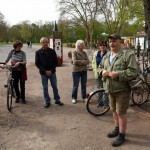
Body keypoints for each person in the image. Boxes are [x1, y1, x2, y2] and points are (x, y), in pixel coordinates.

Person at [98, 34, 138, 147]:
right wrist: (102, 72)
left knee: (121, 112)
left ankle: (122, 135)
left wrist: (119, 74)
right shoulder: (107, 55)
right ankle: (116, 128)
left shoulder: (128, 54)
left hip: (122, 90)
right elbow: (100, 66)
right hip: (110, 89)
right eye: (110, 41)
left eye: (114, 41)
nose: (111, 43)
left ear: (120, 41)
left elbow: (133, 71)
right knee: (114, 110)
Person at [35, 37, 63, 108]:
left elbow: (55, 62)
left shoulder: (52, 51)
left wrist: (51, 70)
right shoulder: (38, 52)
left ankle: (57, 100)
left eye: (46, 42)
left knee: (55, 86)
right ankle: (47, 101)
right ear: (41, 43)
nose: (45, 43)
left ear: (48, 43)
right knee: (45, 88)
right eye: (43, 42)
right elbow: (37, 63)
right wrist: (45, 71)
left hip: (52, 72)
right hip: (43, 73)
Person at [92, 40, 109, 107]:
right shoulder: (96, 53)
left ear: (106, 46)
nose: (102, 46)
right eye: (101, 45)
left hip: (105, 74)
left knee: (105, 89)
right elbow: (93, 63)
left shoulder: (108, 54)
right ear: (99, 46)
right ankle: (100, 102)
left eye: (104, 45)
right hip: (98, 74)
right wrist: (95, 71)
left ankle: (106, 103)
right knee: (99, 89)